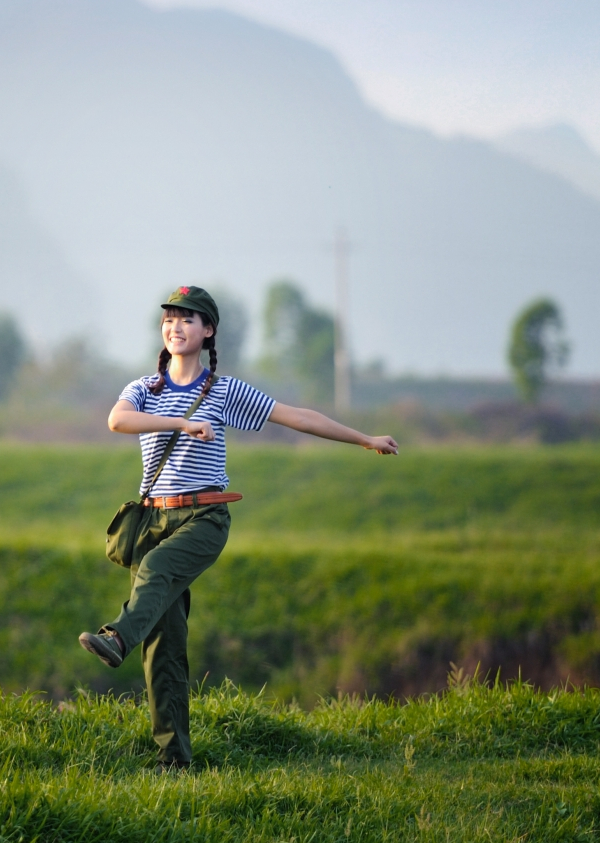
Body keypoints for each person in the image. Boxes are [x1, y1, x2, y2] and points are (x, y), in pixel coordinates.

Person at [78, 285, 398, 771]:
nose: (176, 327)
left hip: (204, 517)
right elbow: (117, 421)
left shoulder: (225, 392)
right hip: (154, 518)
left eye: (188, 319)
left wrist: (365, 439)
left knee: (159, 569)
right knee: (164, 644)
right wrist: (183, 426)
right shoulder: (145, 389)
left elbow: (296, 417)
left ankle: (117, 636)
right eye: (169, 319)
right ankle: (174, 761)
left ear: (208, 331)